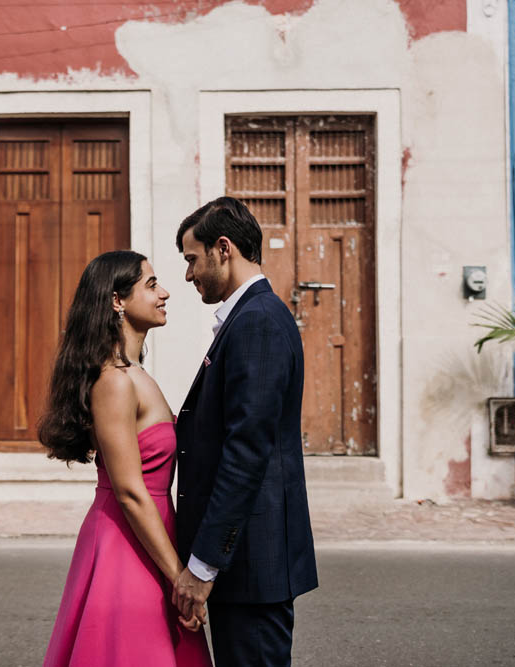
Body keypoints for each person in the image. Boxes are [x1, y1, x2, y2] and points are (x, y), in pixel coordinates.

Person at [40, 250, 212, 667]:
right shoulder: (114, 382)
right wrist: (180, 579)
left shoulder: (134, 373)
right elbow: (130, 491)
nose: (165, 292)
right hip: (127, 541)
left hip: (151, 532)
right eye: (151, 285)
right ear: (117, 300)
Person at [172, 197, 318, 666]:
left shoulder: (256, 322)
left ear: (223, 248)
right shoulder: (250, 317)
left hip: (251, 565)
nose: (188, 275)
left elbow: (246, 452)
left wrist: (203, 564)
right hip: (247, 564)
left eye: (192, 260)